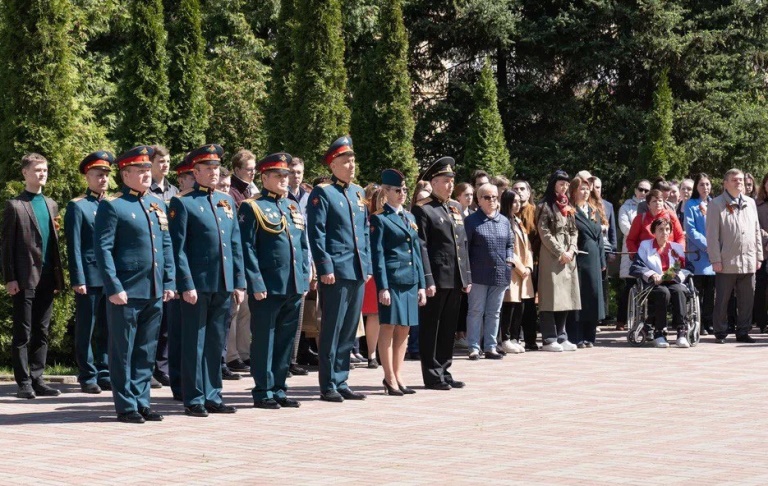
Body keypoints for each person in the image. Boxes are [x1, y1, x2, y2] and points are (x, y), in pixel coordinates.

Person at [94, 146, 175, 423]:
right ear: (125, 173)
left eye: (146, 170)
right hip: (126, 291)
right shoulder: (112, 205)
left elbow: (166, 245)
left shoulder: (156, 204)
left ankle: (142, 401)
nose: (145, 175)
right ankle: (125, 405)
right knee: (123, 350)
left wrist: (169, 280)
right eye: (139, 171)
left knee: (146, 350)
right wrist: (114, 286)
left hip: (153, 288)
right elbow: (102, 250)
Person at [169, 144, 245, 417]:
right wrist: (186, 283)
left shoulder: (225, 202)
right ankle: (194, 397)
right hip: (197, 286)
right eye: (208, 168)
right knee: (195, 342)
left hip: (222, 284)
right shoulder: (183, 202)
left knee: (216, 343)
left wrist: (238, 282)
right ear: (196, 171)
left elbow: (235, 244)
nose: (214, 172)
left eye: (216, 168)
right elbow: (177, 249)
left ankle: (214, 394)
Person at [239, 152, 310, 409]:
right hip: (267, 287)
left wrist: (303, 277)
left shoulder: (291, 206)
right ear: (265, 177)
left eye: (286, 175)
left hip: (292, 284)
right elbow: (247, 248)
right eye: (278, 175)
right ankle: (263, 391)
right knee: (265, 340)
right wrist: (255, 283)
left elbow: (301, 245)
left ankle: (280, 387)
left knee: (285, 340)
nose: (284, 179)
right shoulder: (252, 206)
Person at [307, 135, 372, 402]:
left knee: (348, 329)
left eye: (353, 160)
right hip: (335, 270)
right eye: (346, 161)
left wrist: (366, 264)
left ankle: (342, 379)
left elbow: (365, 232)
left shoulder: (358, 192)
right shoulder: (323, 192)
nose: (351, 165)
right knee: (332, 328)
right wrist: (324, 266)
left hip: (356, 269)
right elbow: (317, 232)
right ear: (333, 164)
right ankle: (328, 383)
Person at [2, 153, 66, 399]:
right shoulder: (15, 205)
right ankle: (24, 382)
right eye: (37, 170)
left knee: (42, 330)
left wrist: (58, 278)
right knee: (23, 332)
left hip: (48, 277)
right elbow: (6, 246)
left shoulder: (51, 204)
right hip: (24, 277)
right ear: (25, 173)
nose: (42, 174)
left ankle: (38, 378)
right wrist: (10, 278)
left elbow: (53, 244)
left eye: (45, 170)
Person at [412, 157, 471, 389]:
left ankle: (445, 370)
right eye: (445, 181)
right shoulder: (423, 209)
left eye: (451, 181)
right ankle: (432, 374)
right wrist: (427, 279)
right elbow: (422, 246)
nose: (449, 185)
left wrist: (466, 276)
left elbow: (462, 244)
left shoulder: (455, 208)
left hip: (455, 277)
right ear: (433, 182)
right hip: (436, 277)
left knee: (448, 328)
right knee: (431, 327)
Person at [370, 169, 426, 396]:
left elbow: (417, 253)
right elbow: (378, 255)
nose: (402, 193)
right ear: (385, 191)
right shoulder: (379, 218)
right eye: (397, 190)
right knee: (389, 326)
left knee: (405, 328)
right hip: (392, 280)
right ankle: (389, 377)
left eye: (404, 189)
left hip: (410, 280)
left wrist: (422, 284)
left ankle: (399, 374)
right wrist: (382, 286)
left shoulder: (410, 217)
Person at [65, 151, 114, 394]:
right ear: (87, 177)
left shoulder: (112, 204)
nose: (103, 179)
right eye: (98, 175)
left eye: (106, 175)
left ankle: (104, 371)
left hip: (110, 277)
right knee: (87, 327)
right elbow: (73, 245)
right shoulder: (78, 206)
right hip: (89, 275)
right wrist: (78, 278)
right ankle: (88, 375)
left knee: (106, 327)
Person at [706, 169, 763, 343]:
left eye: (741, 179)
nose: (739, 182)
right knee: (722, 299)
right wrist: (715, 259)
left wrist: (759, 256)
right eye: (734, 180)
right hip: (726, 261)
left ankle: (743, 331)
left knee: (747, 299)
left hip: (748, 260)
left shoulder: (750, 203)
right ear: (725, 183)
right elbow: (712, 235)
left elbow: (756, 231)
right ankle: (721, 332)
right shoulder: (716, 204)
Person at [464, 183, 513, 360]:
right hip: (478, 274)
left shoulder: (504, 221)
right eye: (487, 197)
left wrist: (509, 261)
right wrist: (466, 275)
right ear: (479, 200)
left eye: (494, 197)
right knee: (476, 311)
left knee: (494, 312)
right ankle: (474, 347)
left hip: (500, 274)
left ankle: (490, 346)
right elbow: (465, 249)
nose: (491, 200)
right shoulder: (471, 221)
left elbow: (510, 244)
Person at [630, 218, 692, 348]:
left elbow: (687, 268)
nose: (664, 232)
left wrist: (675, 275)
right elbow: (637, 266)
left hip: (672, 280)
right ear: (654, 232)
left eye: (667, 229)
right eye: (661, 230)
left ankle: (681, 331)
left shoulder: (676, 247)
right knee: (663, 293)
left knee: (679, 291)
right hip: (655, 283)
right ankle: (659, 332)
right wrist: (652, 274)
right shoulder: (645, 246)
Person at [536, 170, 580, 352]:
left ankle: (562, 336)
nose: (564, 187)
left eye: (566, 184)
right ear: (553, 184)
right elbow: (544, 232)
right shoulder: (544, 206)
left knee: (566, 297)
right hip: (551, 255)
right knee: (550, 296)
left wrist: (571, 249)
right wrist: (560, 252)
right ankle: (549, 338)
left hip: (568, 256)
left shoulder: (567, 206)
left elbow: (573, 230)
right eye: (561, 184)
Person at [225, 149, 257, 375]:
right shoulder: (234, 193)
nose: (253, 173)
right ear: (237, 170)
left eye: (255, 169)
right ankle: (231, 355)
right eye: (249, 169)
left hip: (246, 257)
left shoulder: (248, 190)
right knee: (234, 309)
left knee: (245, 309)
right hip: (235, 257)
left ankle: (244, 352)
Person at [148, 145, 177, 389]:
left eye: (168, 161)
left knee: (168, 321)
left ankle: (163, 366)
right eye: (161, 161)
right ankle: (148, 368)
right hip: (150, 262)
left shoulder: (174, 191)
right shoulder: (144, 191)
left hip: (170, 259)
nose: (165, 165)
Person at [566, 175, 606, 348]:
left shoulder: (593, 210)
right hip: (579, 259)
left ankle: (590, 336)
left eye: (587, 188)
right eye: (581, 188)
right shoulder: (570, 211)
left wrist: (602, 259)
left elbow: (600, 238)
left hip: (594, 258)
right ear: (573, 191)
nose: (585, 191)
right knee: (579, 298)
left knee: (593, 297)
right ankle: (576, 336)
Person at [286, 156, 312, 376]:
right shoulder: (282, 196)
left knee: (299, 315)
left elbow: (309, 234)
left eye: (299, 172)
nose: (295, 176)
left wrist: (311, 263)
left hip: (304, 260)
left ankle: (293, 358)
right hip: (285, 263)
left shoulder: (308, 198)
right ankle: (283, 360)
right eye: (292, 172)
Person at [498, 190, 533, 354]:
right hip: (512, 270)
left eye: (519, 201)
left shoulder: (518, 221)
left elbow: (528, 248)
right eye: (514, 202)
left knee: (520, 305)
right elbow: (508, 249)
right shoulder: (503, 221)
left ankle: (514, 337)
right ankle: (504, 339)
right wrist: (520, 268)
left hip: (524, 271)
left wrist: (529, 267)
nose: (517, 205)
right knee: (509, 306)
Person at [616, 179, 651, 331]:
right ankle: (621, 320)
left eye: (646, 191)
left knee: (648, 287)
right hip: (631, 249)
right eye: (641, 189)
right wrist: (640, 235)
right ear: (635, 189)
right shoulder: (626, 207)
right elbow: (625, 227)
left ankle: (647, 320)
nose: (643, 193)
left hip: (649, 251)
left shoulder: (651, 207)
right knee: (629, 287)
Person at [684, 173, 715, 335]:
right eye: (702, 184)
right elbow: (691, 230)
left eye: (708, 184)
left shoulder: (714, 204)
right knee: (698, 292)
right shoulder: (691, 204)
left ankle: (709, 322)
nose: (705, 188)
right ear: (696, 187)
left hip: (715, 256)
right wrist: (707, 245)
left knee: (711, 292)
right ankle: (698, 323)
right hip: (699, 255)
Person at [511, 179, 539, 350]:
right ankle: (513, 337)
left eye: (522, 189)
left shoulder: (535, 212)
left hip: (532, 263)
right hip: (513, 264)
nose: (519, 191)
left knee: (529, 304)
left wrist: (529, 262)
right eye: (515, 189)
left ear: (529, 193)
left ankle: (530, 339)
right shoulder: (507, 214)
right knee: (513, 302)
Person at [361, 184, 385, 369]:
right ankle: (370, 353)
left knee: (381, 316)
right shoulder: (369, 220)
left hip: (387, 270)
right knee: (371, 314)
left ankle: (378, 352)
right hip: (371, 270)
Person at [626, 189, 685, 256]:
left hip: (670, 257)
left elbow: (680, 237)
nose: (658, 203)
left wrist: (679, 252)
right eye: (654, 201)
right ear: (648, 205)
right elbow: (630, 240)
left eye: (660, 201)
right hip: (646, 258)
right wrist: (636, 256)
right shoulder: (640, 219)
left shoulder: (671, 216)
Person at [754, 173, 768, 333]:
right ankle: (761, 321)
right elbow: (755, 226)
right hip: (762, 251)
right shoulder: (757, 205)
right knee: (761, 287)